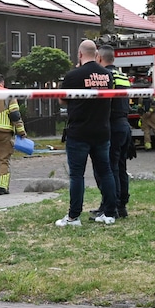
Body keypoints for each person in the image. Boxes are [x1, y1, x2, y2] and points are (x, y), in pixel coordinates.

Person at [56, 39, 118, 226]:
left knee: (77, 175)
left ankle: (74, 216)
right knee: (106, 172)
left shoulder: (73, 75)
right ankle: (109, 213)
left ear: (80, 54)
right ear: (97, 55)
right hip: (102, 131)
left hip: (79, 132)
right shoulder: (108, 75)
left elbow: (61, 101)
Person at [91, 45, 132, 219]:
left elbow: (101, 104)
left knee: (109, 168)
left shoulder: (105, 77)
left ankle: (110, 206)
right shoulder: (123, 76)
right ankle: (122, 205)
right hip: (124, 125)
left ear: (99, 58)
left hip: (112, 126)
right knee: (121, 167)